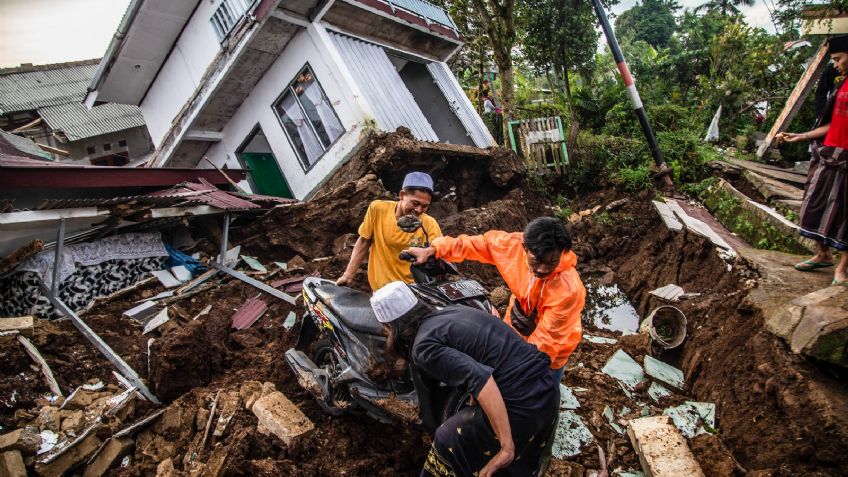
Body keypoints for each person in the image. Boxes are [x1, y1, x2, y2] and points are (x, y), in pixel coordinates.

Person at [369, 281, 559, 477]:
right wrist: (474, 396)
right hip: (547, 390)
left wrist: (506, 447)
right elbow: (488, 360)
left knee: (446, 439)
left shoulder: (423, 347)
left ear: (391, 327)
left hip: (523, 403)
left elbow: (481, 378)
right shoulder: (451, 312)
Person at [404, 217, 585, 382]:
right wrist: (434, 249)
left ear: (562, 253)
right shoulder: (511, 246)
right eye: (537, 261)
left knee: (541, 389)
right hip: (516, 324)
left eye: (551, 262)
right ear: (524, 248)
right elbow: (477, 244)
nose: (543, 269)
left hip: (551, 351)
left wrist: (511, 371)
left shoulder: (568, 291)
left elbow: (546, 347)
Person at [777, 35, 848, 285]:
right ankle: (823, 254)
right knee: (813, 203)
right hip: (829, 152)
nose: (836, 65)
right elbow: (830, 123)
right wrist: (801, 136)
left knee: (844, 213)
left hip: (846, 159)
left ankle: (841, 268)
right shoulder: (841, 86)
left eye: (839, 59)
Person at [336, 172, 443, 291]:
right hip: (381, 291)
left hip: (412, 291)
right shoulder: (378, 209)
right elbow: (364, 241)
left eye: (425, 206)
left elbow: (440, 251)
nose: (418, 210)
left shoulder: (429, 223)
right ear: (402, 195)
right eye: (415, 203)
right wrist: (348, 275)